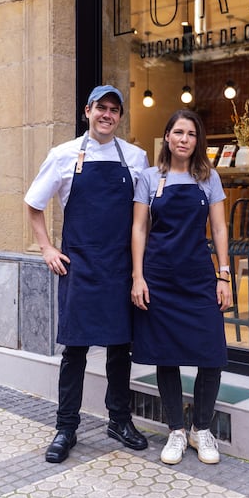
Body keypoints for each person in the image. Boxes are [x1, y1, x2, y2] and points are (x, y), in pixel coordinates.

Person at [24, 84, 149, 463]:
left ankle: (119, 420)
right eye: (101, 108)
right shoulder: (63, 155)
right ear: (87, 111)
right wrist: (47, 248)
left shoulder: (136, 157)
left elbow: (144, 216)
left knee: (119, 349)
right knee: (75, 350)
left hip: (120, 267)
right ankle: (66, 427)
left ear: (121, 117)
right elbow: (33, 203)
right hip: (79, 266)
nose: (107, 115)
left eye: (114, 109)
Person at [131, 109, 231, 466]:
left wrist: (224, 275)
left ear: (197, 139)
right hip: (159, 277)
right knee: (165, 352)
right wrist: (138, 276)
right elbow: (139, 228)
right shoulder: (148, 177)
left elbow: (218, 229)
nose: (184, 139)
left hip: (198, 277)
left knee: (211, 352)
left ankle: (201, 428)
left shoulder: (209, 178)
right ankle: (176, 429)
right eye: (178, 132)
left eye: (190, 133)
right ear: (167, 137)